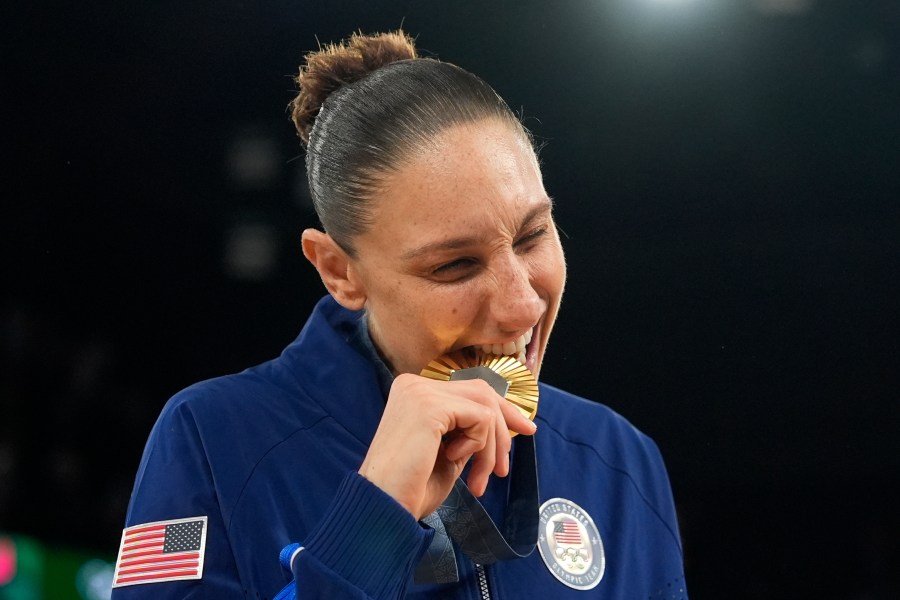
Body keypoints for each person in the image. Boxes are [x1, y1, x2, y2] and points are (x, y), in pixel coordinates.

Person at [110, 29, 688, 599]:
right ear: (339, 271)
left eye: (533, 234)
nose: (521, 303)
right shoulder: (211, 438)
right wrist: (370, 522)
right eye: (455, 266)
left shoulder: (619, 459)